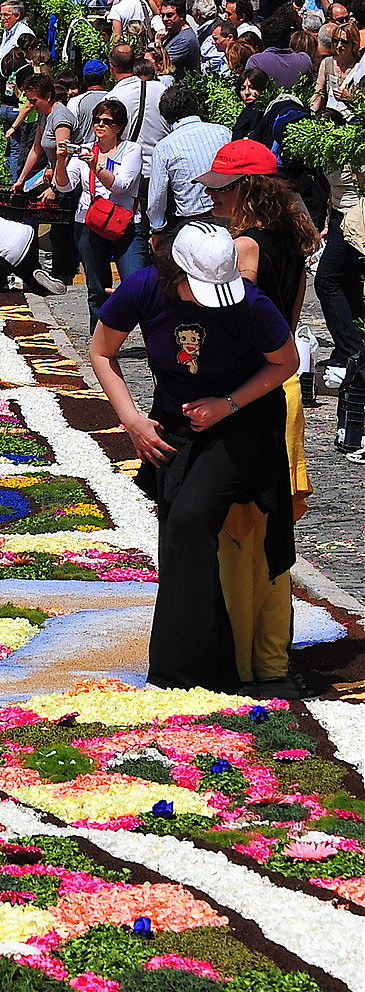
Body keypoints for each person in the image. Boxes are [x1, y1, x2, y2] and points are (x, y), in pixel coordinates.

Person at [89, 222, 299, 690]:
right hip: (175, 421)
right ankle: (215, 660)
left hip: (244, 417)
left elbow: (286, 362)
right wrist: (133, 421)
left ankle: (180, 672)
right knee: (176, 533)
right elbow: (102, 352)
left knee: (189, 521)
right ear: (174, 270)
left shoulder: (250, 301)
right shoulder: (144, 286)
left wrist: (228, 404)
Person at [198, 140, 317, 683]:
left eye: (220, 188)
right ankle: (272, 661)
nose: (211, 196)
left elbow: (236, 329)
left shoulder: (245, 247)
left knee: (238, 534)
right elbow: (287, 328)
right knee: (275, 537)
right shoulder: (294, 241)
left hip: (249, 392)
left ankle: (239, 664)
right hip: (283, 387)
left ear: (248, 190)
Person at [69, 99, 146, 324]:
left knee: (135, 283)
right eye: (97, 120)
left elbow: (122, 185)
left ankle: (146, 336)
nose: (100, 125)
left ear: (119, 126)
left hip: (125, 223)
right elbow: (65, 185)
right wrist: (61, 161)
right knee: (96, 287)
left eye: (107, 121)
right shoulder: (84, 150)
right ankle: (99, 341)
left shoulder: (131, 149)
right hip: (89, 222)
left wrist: (97, 166)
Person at [146, 81, 233, 226]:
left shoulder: (165, 147)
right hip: (228, 214)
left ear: (165, 114)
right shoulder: (223, 132)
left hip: (192, 222)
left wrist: (157, 228)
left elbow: (157, 197)